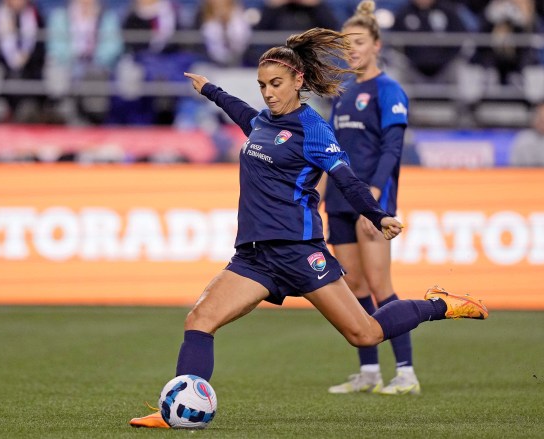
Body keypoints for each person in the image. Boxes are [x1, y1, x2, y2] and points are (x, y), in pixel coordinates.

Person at [128, 27, 489, 429]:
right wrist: (210, 89)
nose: (268, 93)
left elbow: (347, 179)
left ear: (298, 81)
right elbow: (242, 112)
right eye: (262, 85)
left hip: (300, 253)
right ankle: (176, 412)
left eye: (276, 84)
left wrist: (377, 214)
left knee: (365, 334)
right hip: (254, 257)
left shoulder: (314, 131)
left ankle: (439, 304)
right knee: (199, 319)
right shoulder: (263, 122)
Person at [321, 1, 419, 397]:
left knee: (382, 286)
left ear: (376, 44)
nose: (351, 49)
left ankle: (407, 372)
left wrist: (374, 202)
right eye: (346, 43)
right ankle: (369, 370)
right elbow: (329, 149)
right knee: (355, 285)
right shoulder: (342, 94)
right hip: (340, 201)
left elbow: (392, 149)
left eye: (358, 42)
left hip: (372, 203)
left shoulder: (388, 90)